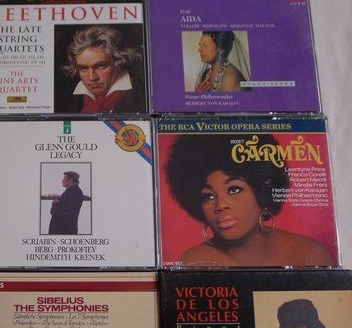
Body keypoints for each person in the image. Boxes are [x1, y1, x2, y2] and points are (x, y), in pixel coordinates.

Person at [165, 134, 334, 266]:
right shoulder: (194, 262)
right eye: (208, 196)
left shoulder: (309, 254)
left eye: (234, 189)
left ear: (262, 192)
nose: (220, 205)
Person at [61, 25, 145, 113]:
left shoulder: (140, 96)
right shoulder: (73, 100)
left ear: (118, 63)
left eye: (100, 66)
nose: (92, 77)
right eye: (84, 68)